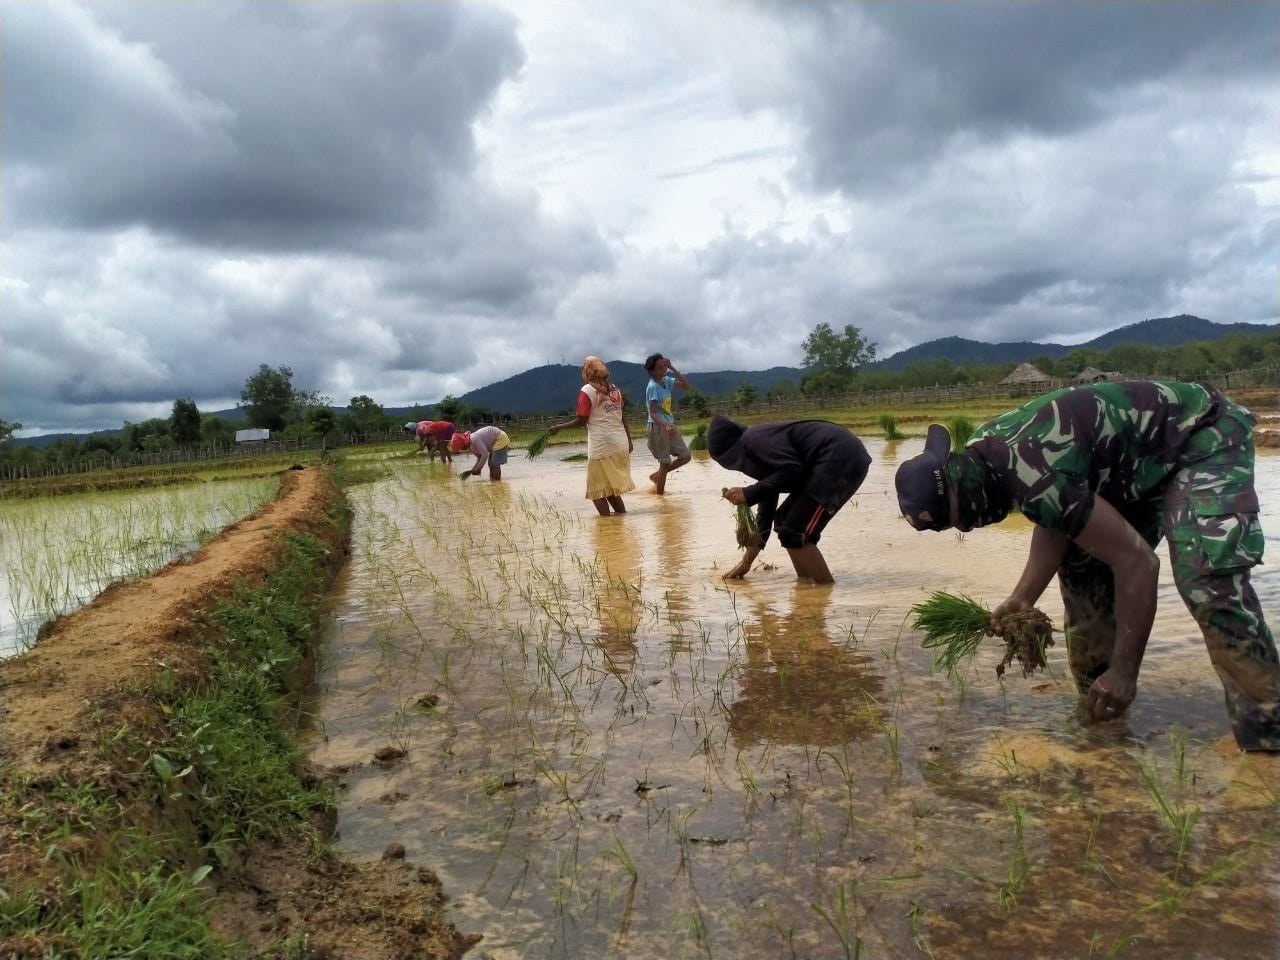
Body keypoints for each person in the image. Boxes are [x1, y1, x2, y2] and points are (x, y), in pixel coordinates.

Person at [894, 379, 1280, 752]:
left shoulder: (1025, 470)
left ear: (959, 489)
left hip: (1200, 435)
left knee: (1206, 582)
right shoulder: (985, 457)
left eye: (956, 521)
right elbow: (1056, 516)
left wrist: (1126, 671)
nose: (964, 528)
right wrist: (1023, 597)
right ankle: (1103, 715)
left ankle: (1268, 733)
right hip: (1131, 468)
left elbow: (1139, 565)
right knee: (1084, 569)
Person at [706, 415, 871, 584]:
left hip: (839, 457)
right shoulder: (758, 450)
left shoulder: (755, 439)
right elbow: (766, 515)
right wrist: (745, 563)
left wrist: (748, 493)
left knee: (794, 531)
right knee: (783, 521)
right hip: (832, 458)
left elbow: (792, 470)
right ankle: (805, 585)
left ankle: (824, 591)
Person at [548, 356, 635, 515]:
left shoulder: (587, 391)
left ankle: (608, 527)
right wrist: (629, 441)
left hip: (602, 446)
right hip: (620, 444)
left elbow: (581, 420)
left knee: (596, 490)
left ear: (587, 372)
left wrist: (559, 427)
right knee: (610, 489)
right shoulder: (614, 389)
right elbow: (622, 417)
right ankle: (621, 522)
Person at [643, 353, 692, 494]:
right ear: (652, 371)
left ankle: (656, 476)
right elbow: (652, 413)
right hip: (659, 426)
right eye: (659, 368)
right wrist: (666, 425)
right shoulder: (653, 387)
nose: (663, 370)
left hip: (669, 424)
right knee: (664, 463)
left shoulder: (666, 380)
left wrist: (672, 368)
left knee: (686, 456)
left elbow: (687, 386)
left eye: (664, 366)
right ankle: (661, 499)